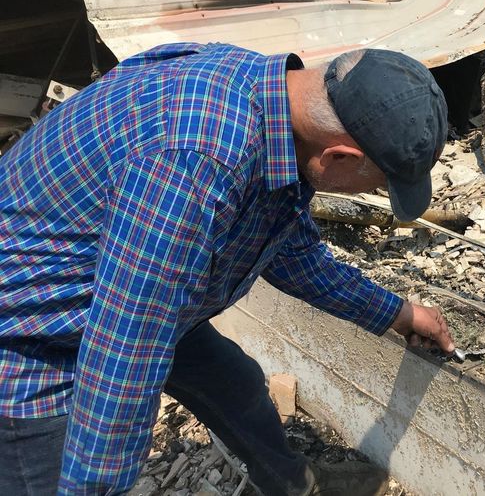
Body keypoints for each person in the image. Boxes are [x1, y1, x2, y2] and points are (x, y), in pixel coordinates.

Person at [0, 42, 456, 495]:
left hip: (129, 287)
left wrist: (395, 312)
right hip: (32, 337)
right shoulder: (195, 163)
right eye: (371, 186)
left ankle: (297, 486)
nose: (362, 194)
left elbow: (293, 253)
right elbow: (125, 348)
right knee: (59, 477)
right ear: (337, 156)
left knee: (235, 384)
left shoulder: (269, 99)